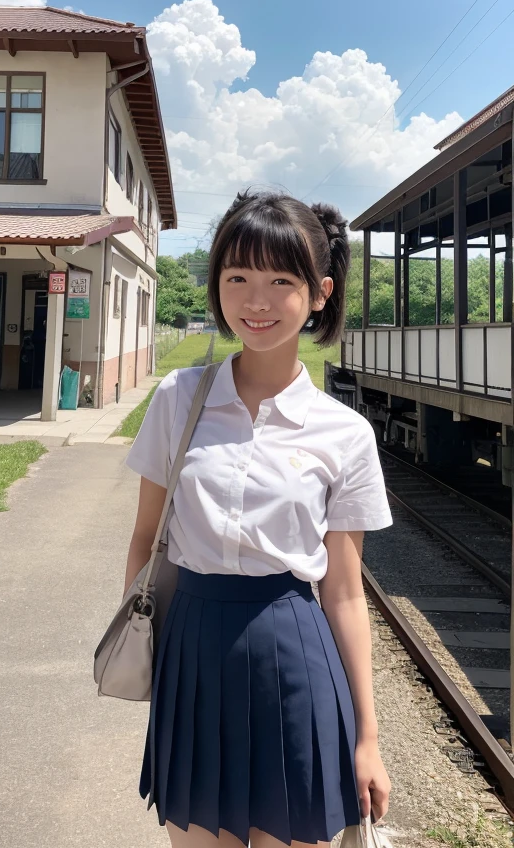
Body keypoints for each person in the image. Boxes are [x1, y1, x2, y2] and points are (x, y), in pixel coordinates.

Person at [123, 190, 392, 848]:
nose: (257, 301)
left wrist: (368, 736)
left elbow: (345, 590)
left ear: (320, 292)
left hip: (296, 657)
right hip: (192, 659)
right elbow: (142, 539)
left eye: (281, 280)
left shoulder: (345, 432)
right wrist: (148, 650)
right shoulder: (178, 401)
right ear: (216, 286)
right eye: (237, 278)